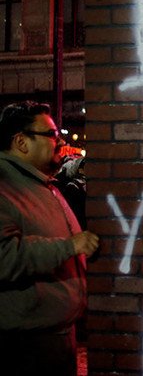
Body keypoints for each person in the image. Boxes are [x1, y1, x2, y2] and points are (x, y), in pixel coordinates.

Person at [0, 101, 100, 376]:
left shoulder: (38, 183)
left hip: (54, 337)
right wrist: (69, 246)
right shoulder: (6, 187)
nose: (60, 142)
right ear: (21, 142)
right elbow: (5, 257)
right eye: (51, 135)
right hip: (24, 346)